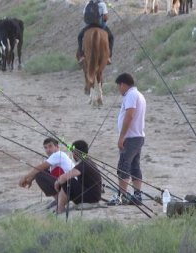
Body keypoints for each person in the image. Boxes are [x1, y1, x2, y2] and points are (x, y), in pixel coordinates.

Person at [110, 73, 146, 206]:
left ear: (123, 84)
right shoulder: (140, 95)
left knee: (123, 166)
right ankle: (137, 195)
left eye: (118, 86)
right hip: (138, 136)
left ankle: (122, 196)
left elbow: (129, 116)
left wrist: (121, 137)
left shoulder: (131, 95)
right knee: (134, 166)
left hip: (130, 138)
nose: (119, 89)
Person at [18, 137, 75, 209]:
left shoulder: (58, 154)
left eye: (50, 146)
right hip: (69, 186)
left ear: (56, 147)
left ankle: (59, 200)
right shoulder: (57, 157)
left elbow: (39, 168)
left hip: (70, 187)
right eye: (45, 147)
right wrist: (30, 180)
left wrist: (25, 177)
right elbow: (42, 169)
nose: (48, 150)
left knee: (39, 175)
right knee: (42, 172)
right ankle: (59, 199)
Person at [53, 140, 102, 214]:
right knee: (67, 181)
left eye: (73, 152)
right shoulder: (87, 161)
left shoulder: (84, 164)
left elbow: (65, 177)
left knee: (68, 180)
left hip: (91, 198)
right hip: (92, 195)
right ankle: (60, 206)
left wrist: (57, 182)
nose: (72, 154)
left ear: (75, 152)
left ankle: (60, 208)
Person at [78, 0, 114, 65]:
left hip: (89, 25)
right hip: (100, 25)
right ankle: (108, 56)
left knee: (80, 37)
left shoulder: (88, 3)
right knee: (111, 37)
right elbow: (105, 17)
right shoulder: (102, 4)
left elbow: (84, 16)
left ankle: (82, 55)